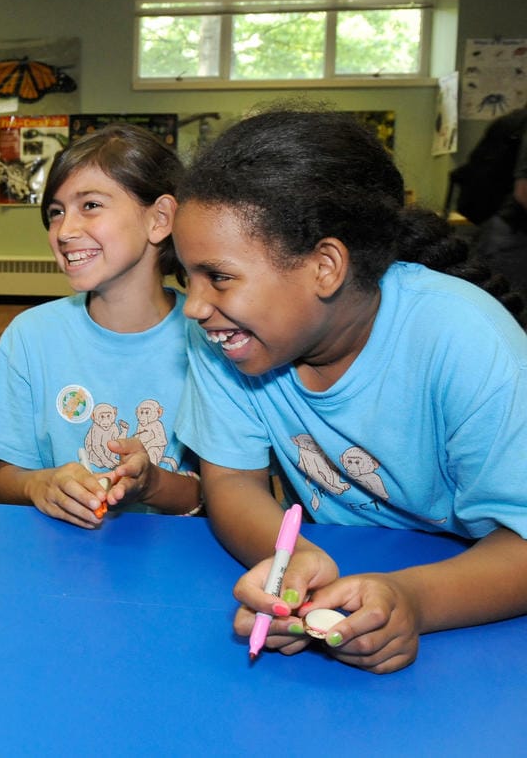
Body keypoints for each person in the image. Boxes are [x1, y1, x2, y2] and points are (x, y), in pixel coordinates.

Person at [171, 107, 527, 674]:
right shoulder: (225, 338)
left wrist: (410, 601)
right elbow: (232, 480)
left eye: (219, 276)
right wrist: (296, 567)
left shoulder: (466, 340)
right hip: (350, 559)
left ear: (325, 266)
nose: (193, 306)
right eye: (185, 276)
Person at [0, 124, 202, 528]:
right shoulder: (31, 336)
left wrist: (152, 483)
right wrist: (41, 484)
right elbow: (8, 480)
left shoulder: (210, 339)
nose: (65, 231)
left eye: (90, 205)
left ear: (159, 219)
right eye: (56, 212)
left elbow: (227, 494)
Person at [472, 108, 527, 296]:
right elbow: (524, 192)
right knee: (510, 310)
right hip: (512, 236)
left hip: (500, 229)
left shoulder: (516, 120)